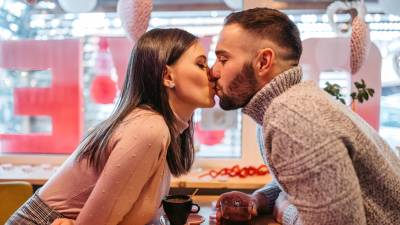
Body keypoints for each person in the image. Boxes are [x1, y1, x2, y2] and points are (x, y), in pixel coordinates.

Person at [210, 7, 400, 225]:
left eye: (223, 59)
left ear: (263, 62)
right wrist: (260, 199)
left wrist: (284, 211)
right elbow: (301, 183)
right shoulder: (288, 105)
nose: (213, 71)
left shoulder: (292, 118)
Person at [7, 28, 216, 225]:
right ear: (168, 76)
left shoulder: (158, 127)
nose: (212, 73)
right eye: (201, 64)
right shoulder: (149, 129)